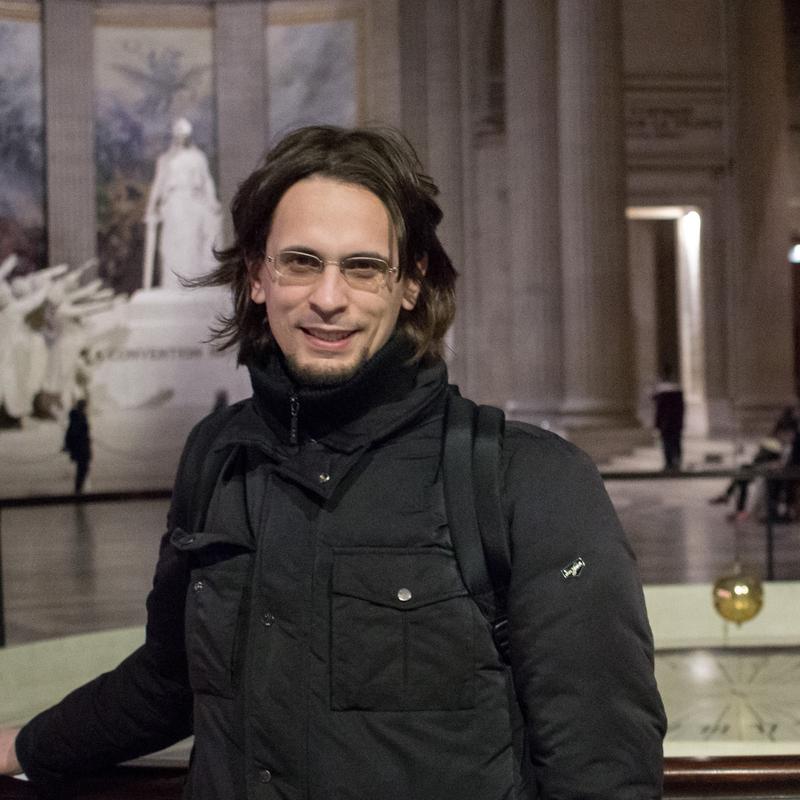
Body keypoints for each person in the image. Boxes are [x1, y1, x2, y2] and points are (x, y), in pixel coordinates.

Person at [0, 126, 666, 798]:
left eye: (363, 267)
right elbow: (172, 680)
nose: (327, 297)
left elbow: (603, 768)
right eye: (300, 262)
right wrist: (25, 746)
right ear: (258, 277)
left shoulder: (528, 481)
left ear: (410, 283)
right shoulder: (215, 456)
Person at [143, 117, 222, 291]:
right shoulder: (166, 159)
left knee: (192, 240)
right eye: (178, 135)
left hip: (193, 200)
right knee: (173, 242)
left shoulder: (198, 157)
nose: (181, 138)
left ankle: (193, 280)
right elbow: (159, 183)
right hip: (174, 201)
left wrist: (212, 200)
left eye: (184, 135)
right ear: (174, 136)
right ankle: (172, 283)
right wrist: (151, 207)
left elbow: (206, 180)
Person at [652, 366, 684, 472]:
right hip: (676, 422)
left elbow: (660, 411)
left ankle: (669, 463)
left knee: (667, 443)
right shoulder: (677, 391)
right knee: (676, 442)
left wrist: (657, 424)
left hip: (665, 423)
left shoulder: (662, 392)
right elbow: (681, 409)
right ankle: (677, 461)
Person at [63, 398, 92, 494]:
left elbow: (70, 432)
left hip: (80, 448)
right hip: (81, 448)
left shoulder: (77, 417)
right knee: (83, 468)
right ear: (83, 406)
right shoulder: (79, 417)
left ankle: (78, 489)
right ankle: (78, 490)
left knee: (82, 469)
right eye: (85, 406)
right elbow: (75, 433)